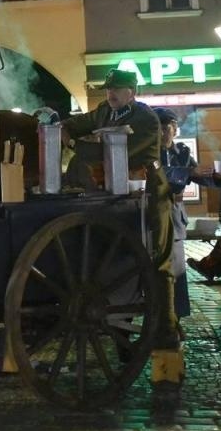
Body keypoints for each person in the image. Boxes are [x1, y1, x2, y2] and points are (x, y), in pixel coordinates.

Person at [62, 68, 181, 395]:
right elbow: (75, 125)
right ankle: (122, 330)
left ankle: (167, 330)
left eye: (117, 89)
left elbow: (114, 152)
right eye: (108, 89)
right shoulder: (104, 111)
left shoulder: (145, 119)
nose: (110, 94)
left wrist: (79, 144)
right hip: (110, 194)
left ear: (132, 91)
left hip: (147, 196)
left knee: (158, 261)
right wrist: (68, 131)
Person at [157, 108, 195, 323]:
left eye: (167, 128)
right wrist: (188, 173)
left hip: (176, 216)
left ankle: (176, 320)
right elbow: (160, 172)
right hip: (155, 214)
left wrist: (217, 178)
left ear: (175, 129)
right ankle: (160, 317)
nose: (163, 133)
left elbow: (196, 172)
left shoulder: (182, 152)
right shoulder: (150, 153)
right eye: (159, 128)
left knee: (179, 271)